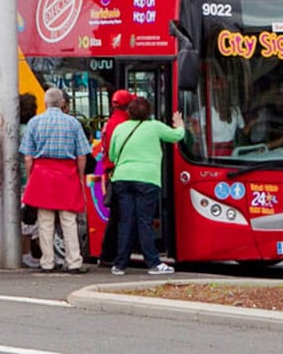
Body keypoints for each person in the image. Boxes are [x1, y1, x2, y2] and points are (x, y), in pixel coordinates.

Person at [109, 96, 184, 276]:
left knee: (126, 221)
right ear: (148, 112)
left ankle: (119, 265)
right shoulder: (155, 126)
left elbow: (112, 156)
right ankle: (153, 263)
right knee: (144, 221)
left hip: (122, 178)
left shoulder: (120, 128)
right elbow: (177, 136)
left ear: (129, 112)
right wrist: (179, 123)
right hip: (147, 179)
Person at [20, 87, 91, 274]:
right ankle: (73, 261)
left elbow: (28, 157)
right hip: (67, 175)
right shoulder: (73, 123)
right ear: (63, 103)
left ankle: (47, 262)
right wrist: (80, 176)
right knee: (68, 220)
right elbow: (82, 155)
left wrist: (31, 177)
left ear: (45, 103)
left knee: (45, 221)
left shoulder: (34, 123)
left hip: (42, 174)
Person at [95, 89, 133, 265]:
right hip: (119, 172)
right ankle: (109, 255)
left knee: (116, 215)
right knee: (119, 216)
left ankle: (109, 254)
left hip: (110, 171)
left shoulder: (110, 122)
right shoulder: (124, 123)